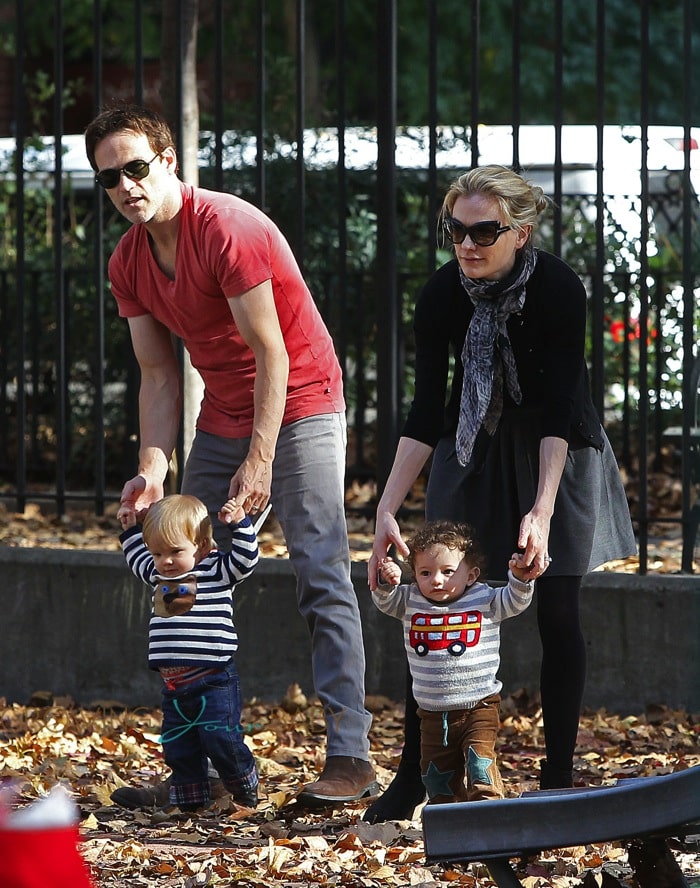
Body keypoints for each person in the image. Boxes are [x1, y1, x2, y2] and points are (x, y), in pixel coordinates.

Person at [84, 103, 377, 809]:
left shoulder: (227, 228)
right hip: (222, 410)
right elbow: (158, 375)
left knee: (319, 568)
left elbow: (271, 351)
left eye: (135, 167)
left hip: (300, 397)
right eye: (108, 178)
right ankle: (206, 764)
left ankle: (352, 756)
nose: (125, 186)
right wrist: (153, 471)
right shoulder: (129, 260)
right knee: (185, 563)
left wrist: (261, 459)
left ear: (168, 161)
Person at [364, 165, 636, 823]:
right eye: (455, 230)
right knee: (435, 599)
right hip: (473, 444)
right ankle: (413, 777)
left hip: (557, 451)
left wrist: (540, 512)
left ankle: (558, 776)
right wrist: (386, 509)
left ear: (522, 231)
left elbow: (559, 406)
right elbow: (428, 408)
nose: (467, 243)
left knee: (557, 609)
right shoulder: (442, 295)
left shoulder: (558, 291)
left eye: (485, 230)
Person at [119, 493, 264, 810]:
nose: (165, 560)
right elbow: (138, 562)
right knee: (178, 744)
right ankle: (190, 800)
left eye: (175, 552)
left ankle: (244, 781)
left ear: (201, 545)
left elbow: (246, 560)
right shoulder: (160, 576)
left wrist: (240, 524)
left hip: (213, 679)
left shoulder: (215, 570)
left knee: (221, 738)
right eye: (158, 553)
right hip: (174, 685)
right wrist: (130, 531)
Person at [373, 521, 534, 804]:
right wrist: (387, 579)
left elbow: (515, 602)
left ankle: (489, 811)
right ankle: (448, 822)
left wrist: (519, 579)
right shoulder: (410, 600)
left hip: (479, 706)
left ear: (471, 575)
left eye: (448, 572)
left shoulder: (483, 598)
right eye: (425, 573)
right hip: (432, 713)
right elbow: (384, 601)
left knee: (479, 766)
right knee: (437, 777)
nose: (437, 581)